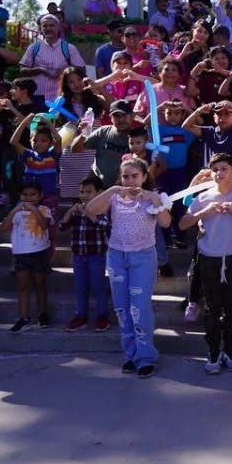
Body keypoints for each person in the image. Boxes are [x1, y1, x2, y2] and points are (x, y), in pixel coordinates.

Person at [82, 157, 171, 378]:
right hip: (116, 257)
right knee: (122, 308)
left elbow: (166, 222)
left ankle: (146, 356)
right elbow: (90, 208)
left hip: (143, 257)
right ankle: (130, 354)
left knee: (139, 308)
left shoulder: (151, 197)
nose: (130, 181)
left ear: (144, 176)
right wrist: (112, 190)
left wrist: (154, 198)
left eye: (135, 176)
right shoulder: (114, 196)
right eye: (125, 176)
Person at [180, 154, 232, 374]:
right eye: (216, 169)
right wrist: (204, 212)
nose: (220, 173)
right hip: (208, 257)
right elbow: (183, 224)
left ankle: (229, 350)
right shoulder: (204, 196)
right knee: (211, 307)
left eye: (224, 168)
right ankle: (212, 351)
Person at [58, 176, 111, 333]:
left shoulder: (102, 208)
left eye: (89, 192)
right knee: (80, 287)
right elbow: (62, 225)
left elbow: (103, 225)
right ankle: (81, 316)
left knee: (98, 286)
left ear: (99, 193)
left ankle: (102, 316)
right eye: (82, 192)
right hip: (79, 256)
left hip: (96, 256)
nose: (84, 195)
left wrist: (87, 212)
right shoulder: (76, 211)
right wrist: (70, 211)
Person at [1, 180, 54, 333]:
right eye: (25, 194)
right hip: (20, 254)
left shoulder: (44, 209)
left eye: (33, 194)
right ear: (20, 195)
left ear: (40, 195)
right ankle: (24, 318)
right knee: (23, 286)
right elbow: (4, 228)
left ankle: (42, 314)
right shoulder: (16, 212)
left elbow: (44, 225)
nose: (29, 198)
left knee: (40, 284)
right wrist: (14, 211)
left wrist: (34, 210)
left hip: (40, 252)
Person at [18, 14, 86, 102]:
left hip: (62, 98)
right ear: (41, 29)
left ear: (58, 27)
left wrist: (65, 70)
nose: (48, 28)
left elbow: (81, 69)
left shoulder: (69, 48)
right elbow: (22, 70)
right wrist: (39, 70)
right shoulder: (34, 47)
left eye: (51, 25)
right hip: (38, 97)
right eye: (45, 26)